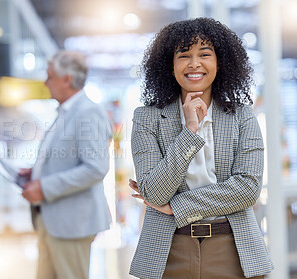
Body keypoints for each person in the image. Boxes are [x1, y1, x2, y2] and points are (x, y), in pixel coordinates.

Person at [128, 18, 273, 279]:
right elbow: (154, 192)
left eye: (204, 54)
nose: (194, 64)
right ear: (169, 65)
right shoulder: (146, 118)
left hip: (233, 248)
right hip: (168, 250)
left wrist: (177, 207)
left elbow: (248, 189)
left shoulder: (242, 116)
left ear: (221, 62)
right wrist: (189, 132)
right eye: (184, 55)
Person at [21, 50, 112, 279]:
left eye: (50, 76)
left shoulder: (88, 112)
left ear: (67, 80)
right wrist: (36, 172)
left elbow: (95, 168)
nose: (45, 82)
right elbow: (66, 158)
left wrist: (44, 186)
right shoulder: (65, 112)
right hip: (52, 219)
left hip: (72, 223)